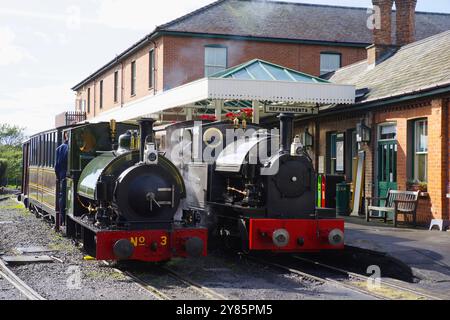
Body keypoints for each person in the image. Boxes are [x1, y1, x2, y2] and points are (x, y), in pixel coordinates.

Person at [55, 132, 69, 227]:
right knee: (63, 198)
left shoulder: (60, 148)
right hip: (65, 175)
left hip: (63, 175)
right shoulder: (62, 148)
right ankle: (63, 220)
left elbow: (57, 167)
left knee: (63, 197)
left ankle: (63, 221)